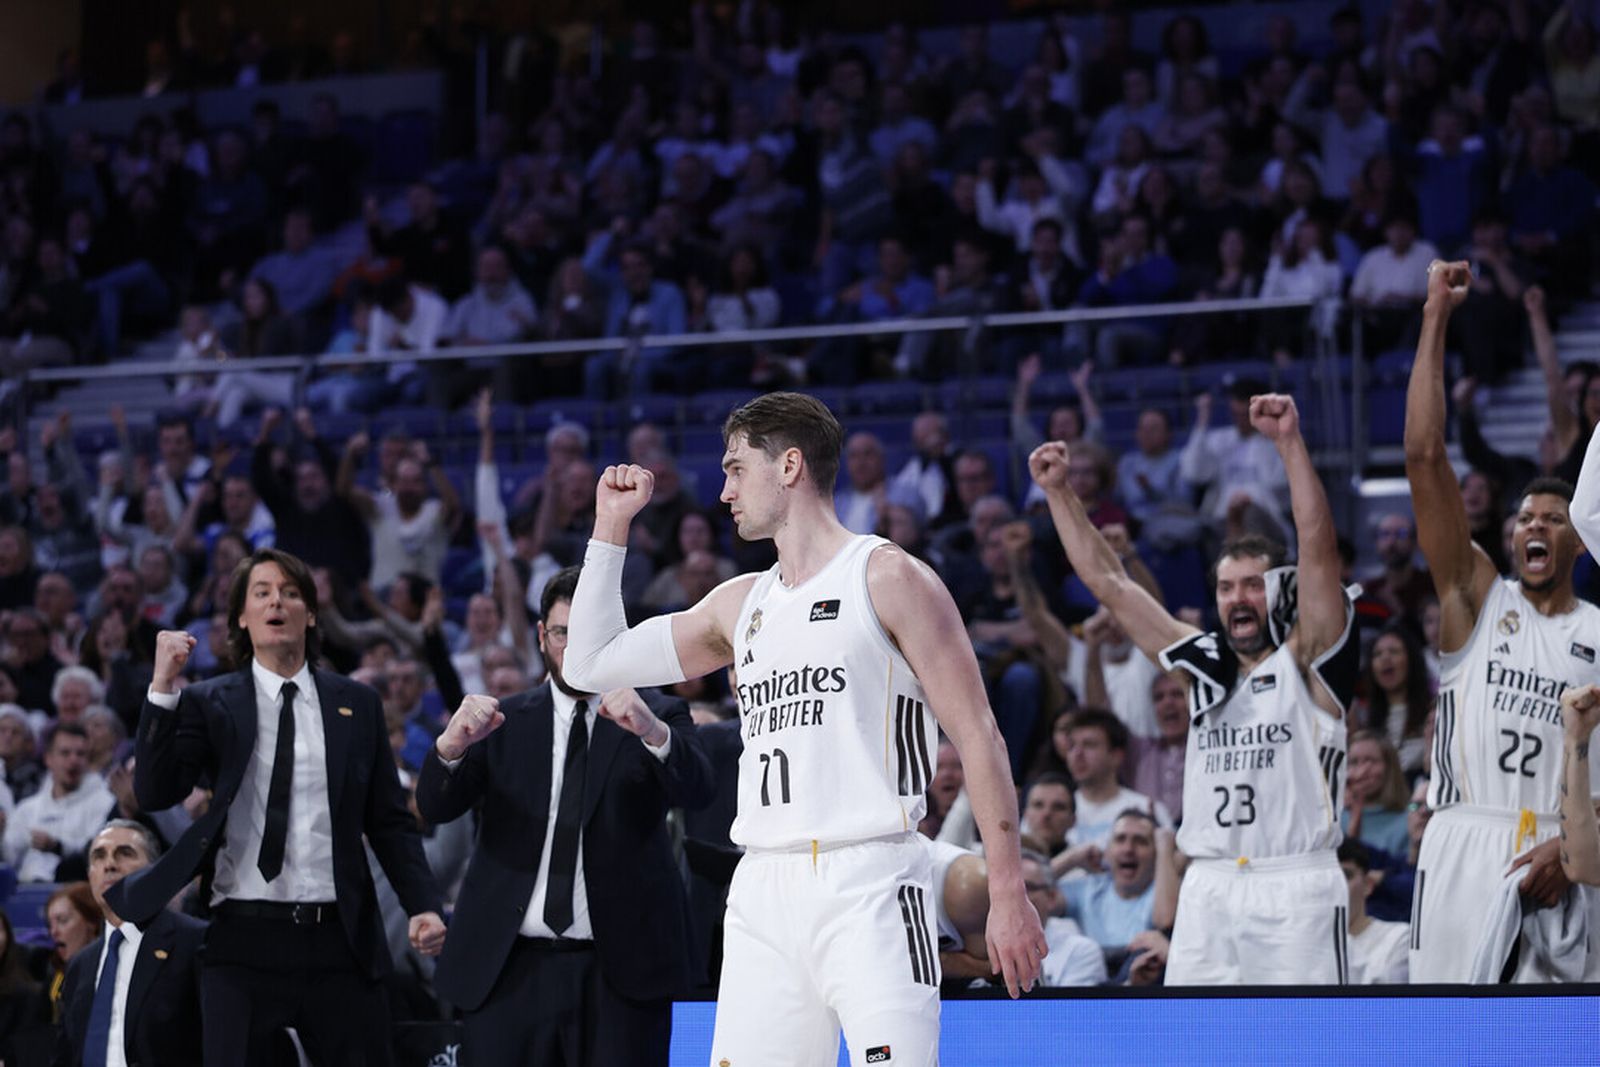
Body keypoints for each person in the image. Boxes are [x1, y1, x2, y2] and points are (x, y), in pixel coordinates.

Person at [563, 393, 1045, 1065]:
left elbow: (980, 737)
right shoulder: (740, 604)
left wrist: (1008, 893)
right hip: (763, 885)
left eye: (736, 468)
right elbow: (587, 662)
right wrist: (609, 525)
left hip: (872, 876)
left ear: (789, 465)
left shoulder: (887, 576)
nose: (724, 489)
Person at [1030, 391, 1358, 985]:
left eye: (1254, 585)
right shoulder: (1203, 664)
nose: (1237, 598)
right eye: (1227, 587)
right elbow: (1111, 583)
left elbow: (1319, 550)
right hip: (1207, 885)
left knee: (1306, 1045)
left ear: (1282, 593)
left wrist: (1288, 444)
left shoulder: (1311, 662)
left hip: (1295, 882)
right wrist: (1060, 494)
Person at [103, 547, 446, 1066]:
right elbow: (154, 793)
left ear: (310, 613)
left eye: (290, 592)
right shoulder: (210, 701)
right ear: (241, 616)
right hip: (241, 938)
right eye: (261, 593)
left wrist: (422, 905)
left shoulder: (356, 703)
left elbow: (389, 821)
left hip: (340, 938)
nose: (276, 602)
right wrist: (162, 689)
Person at [414, 566, 713, 1066]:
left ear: (615, 638)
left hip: (623, 976)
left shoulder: (654, 715)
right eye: (561, 633)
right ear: (540, 635)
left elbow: (699, 791)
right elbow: (437, 805)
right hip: (507, 970)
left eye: (589, 635)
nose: (574, 649)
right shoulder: (500, 722)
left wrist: (652, 733)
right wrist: (450, 746)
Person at [1403, 260, 1600, 983]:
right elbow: (1424, 458)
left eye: (1552, 517)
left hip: (1563, 848)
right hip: (1463, 839)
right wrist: (1434, 315)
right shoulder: (1477, 598)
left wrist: (1580, 842)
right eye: (1524, 518)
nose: (1534, 527)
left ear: (1578, 539)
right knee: (1444, 1039)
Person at [55, 820, 205, 1067]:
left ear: (154, 870)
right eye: (99, 857)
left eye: (125, 853)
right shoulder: (80, 964)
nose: (110, 865)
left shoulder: (192, 940)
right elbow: (65, 1055)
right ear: (90, 875)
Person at [3, 724, 107, 883]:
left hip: (77, 890)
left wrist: (58, 846)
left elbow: (99, 852)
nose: (74, 760)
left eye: (80, 754)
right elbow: (9, 858)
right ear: (48, 759)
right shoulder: (28, 808)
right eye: (65, 753)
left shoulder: (104, 802)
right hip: (27, 890)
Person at [1338, 839, 1409, 984]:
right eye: (1330, 879)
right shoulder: (1306, 943)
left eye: (1345, 876)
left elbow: (1385, 1003)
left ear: (1367, 885)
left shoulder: (1399, 937)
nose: (1336, 886)